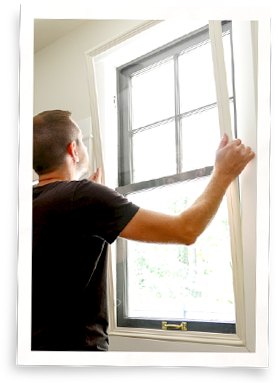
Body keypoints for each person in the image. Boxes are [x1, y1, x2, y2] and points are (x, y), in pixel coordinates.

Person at [32, 109, 255, 351]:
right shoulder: (82, 197)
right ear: (74, 150)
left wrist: (91, 204)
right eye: (82, 141)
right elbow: (186, 230)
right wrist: (223, 173)